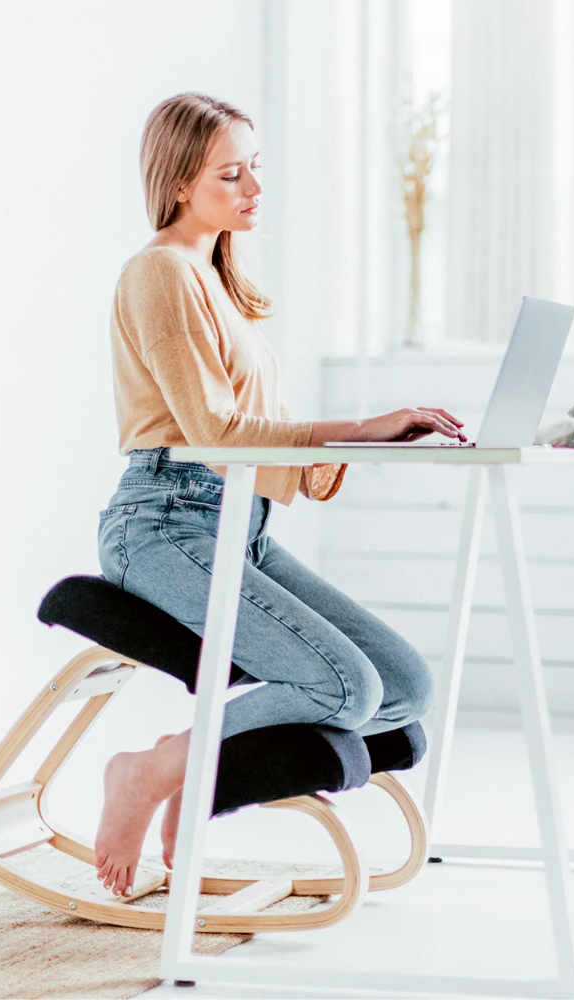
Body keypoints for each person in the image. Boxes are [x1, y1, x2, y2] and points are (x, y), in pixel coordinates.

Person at [94, 91, 467, 898]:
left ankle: (177, 769)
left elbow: (251, 435)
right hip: (164, 524)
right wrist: (360, 428)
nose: (254, 188)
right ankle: (155, 768)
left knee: (405, 687)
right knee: (345, 688)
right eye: (232, 174)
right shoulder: (159, 271)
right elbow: (216, 430)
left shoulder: (217, 280)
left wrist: (370, 433)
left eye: (255, 168)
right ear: (180, 184)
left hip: (235, 525)